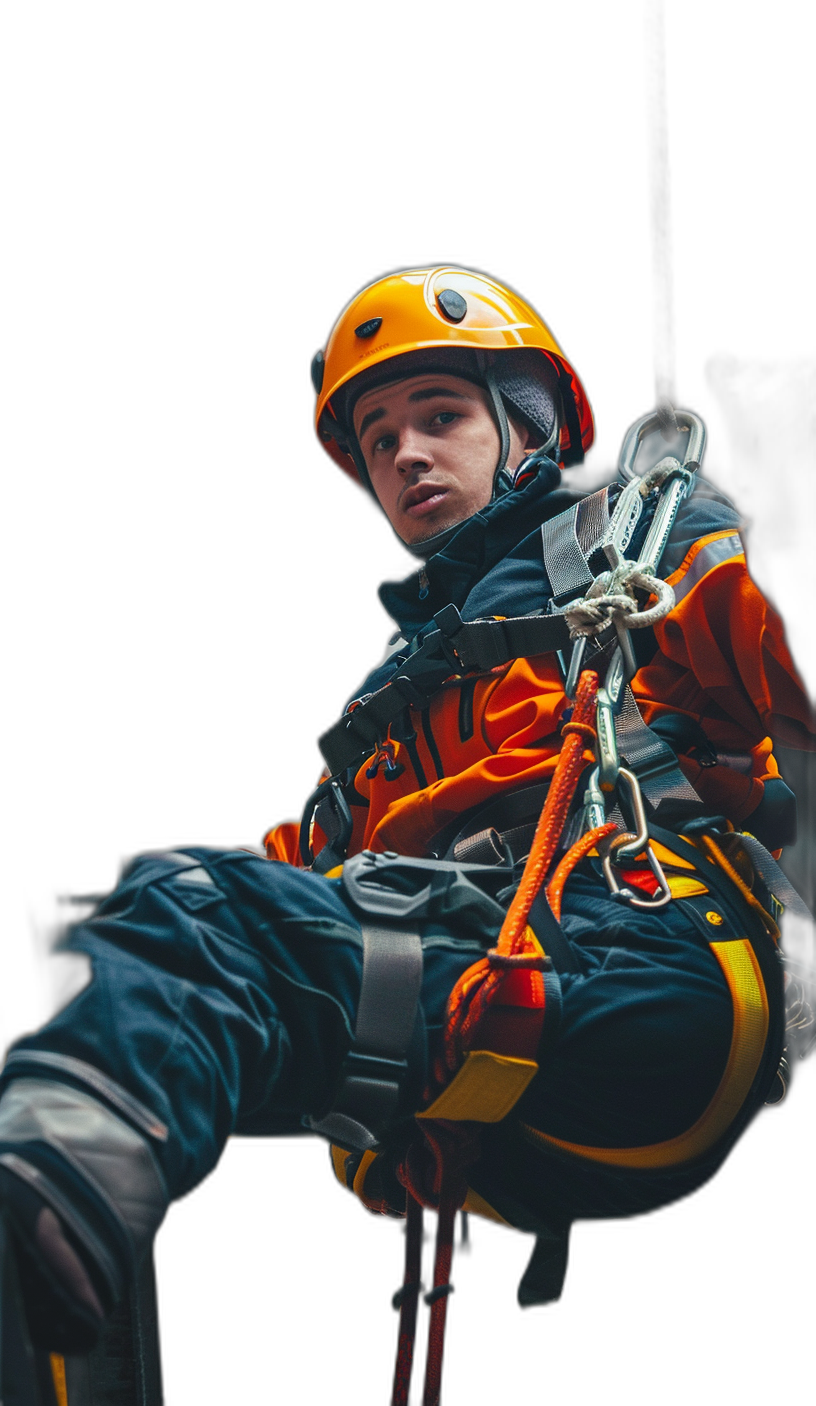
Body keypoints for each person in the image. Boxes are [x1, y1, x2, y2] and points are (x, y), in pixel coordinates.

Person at [1, 266, 814, 1405]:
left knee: (173, 938)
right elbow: (283, 893)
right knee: (99, 980)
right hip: (497, 1084)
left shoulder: (636, 544)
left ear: (524, 429)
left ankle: (51, 1208)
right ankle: (45, 1278)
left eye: (442, 415)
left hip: (645, 963)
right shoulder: (397, 697)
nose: (406, 456)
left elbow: (771, 658)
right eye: (379, 439)